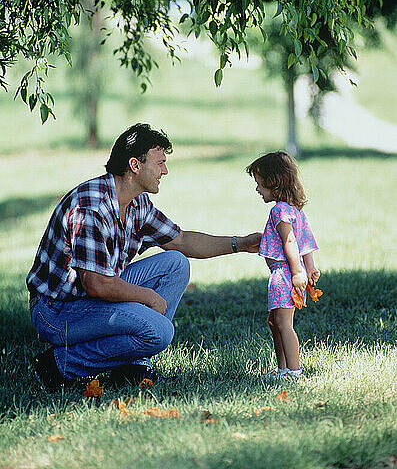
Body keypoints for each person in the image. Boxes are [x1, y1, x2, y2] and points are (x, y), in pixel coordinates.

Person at [27, 123, 261, 388]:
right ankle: (61, 364)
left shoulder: (136, 202)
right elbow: (96, 284)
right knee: (159, 332)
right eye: (160, 163)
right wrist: (147, 296)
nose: (165, 170)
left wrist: (240, 243)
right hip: (58, 311)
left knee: (175, 264)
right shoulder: (91, 207)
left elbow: (181, 240)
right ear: (135, 166)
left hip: (89, 297)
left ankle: (134, 367)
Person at [246, 151, 320, 380]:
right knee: (274, 322)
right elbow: (306, 242)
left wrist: (299, 272)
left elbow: (291, 241)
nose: (257, 189)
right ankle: (283, 369)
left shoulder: (279, 210)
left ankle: (294, 371)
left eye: (259, 184)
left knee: (283, 325)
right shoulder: (295, 209)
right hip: (287, 273)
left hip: (284, 274)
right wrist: (310, 268)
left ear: (273, 182)